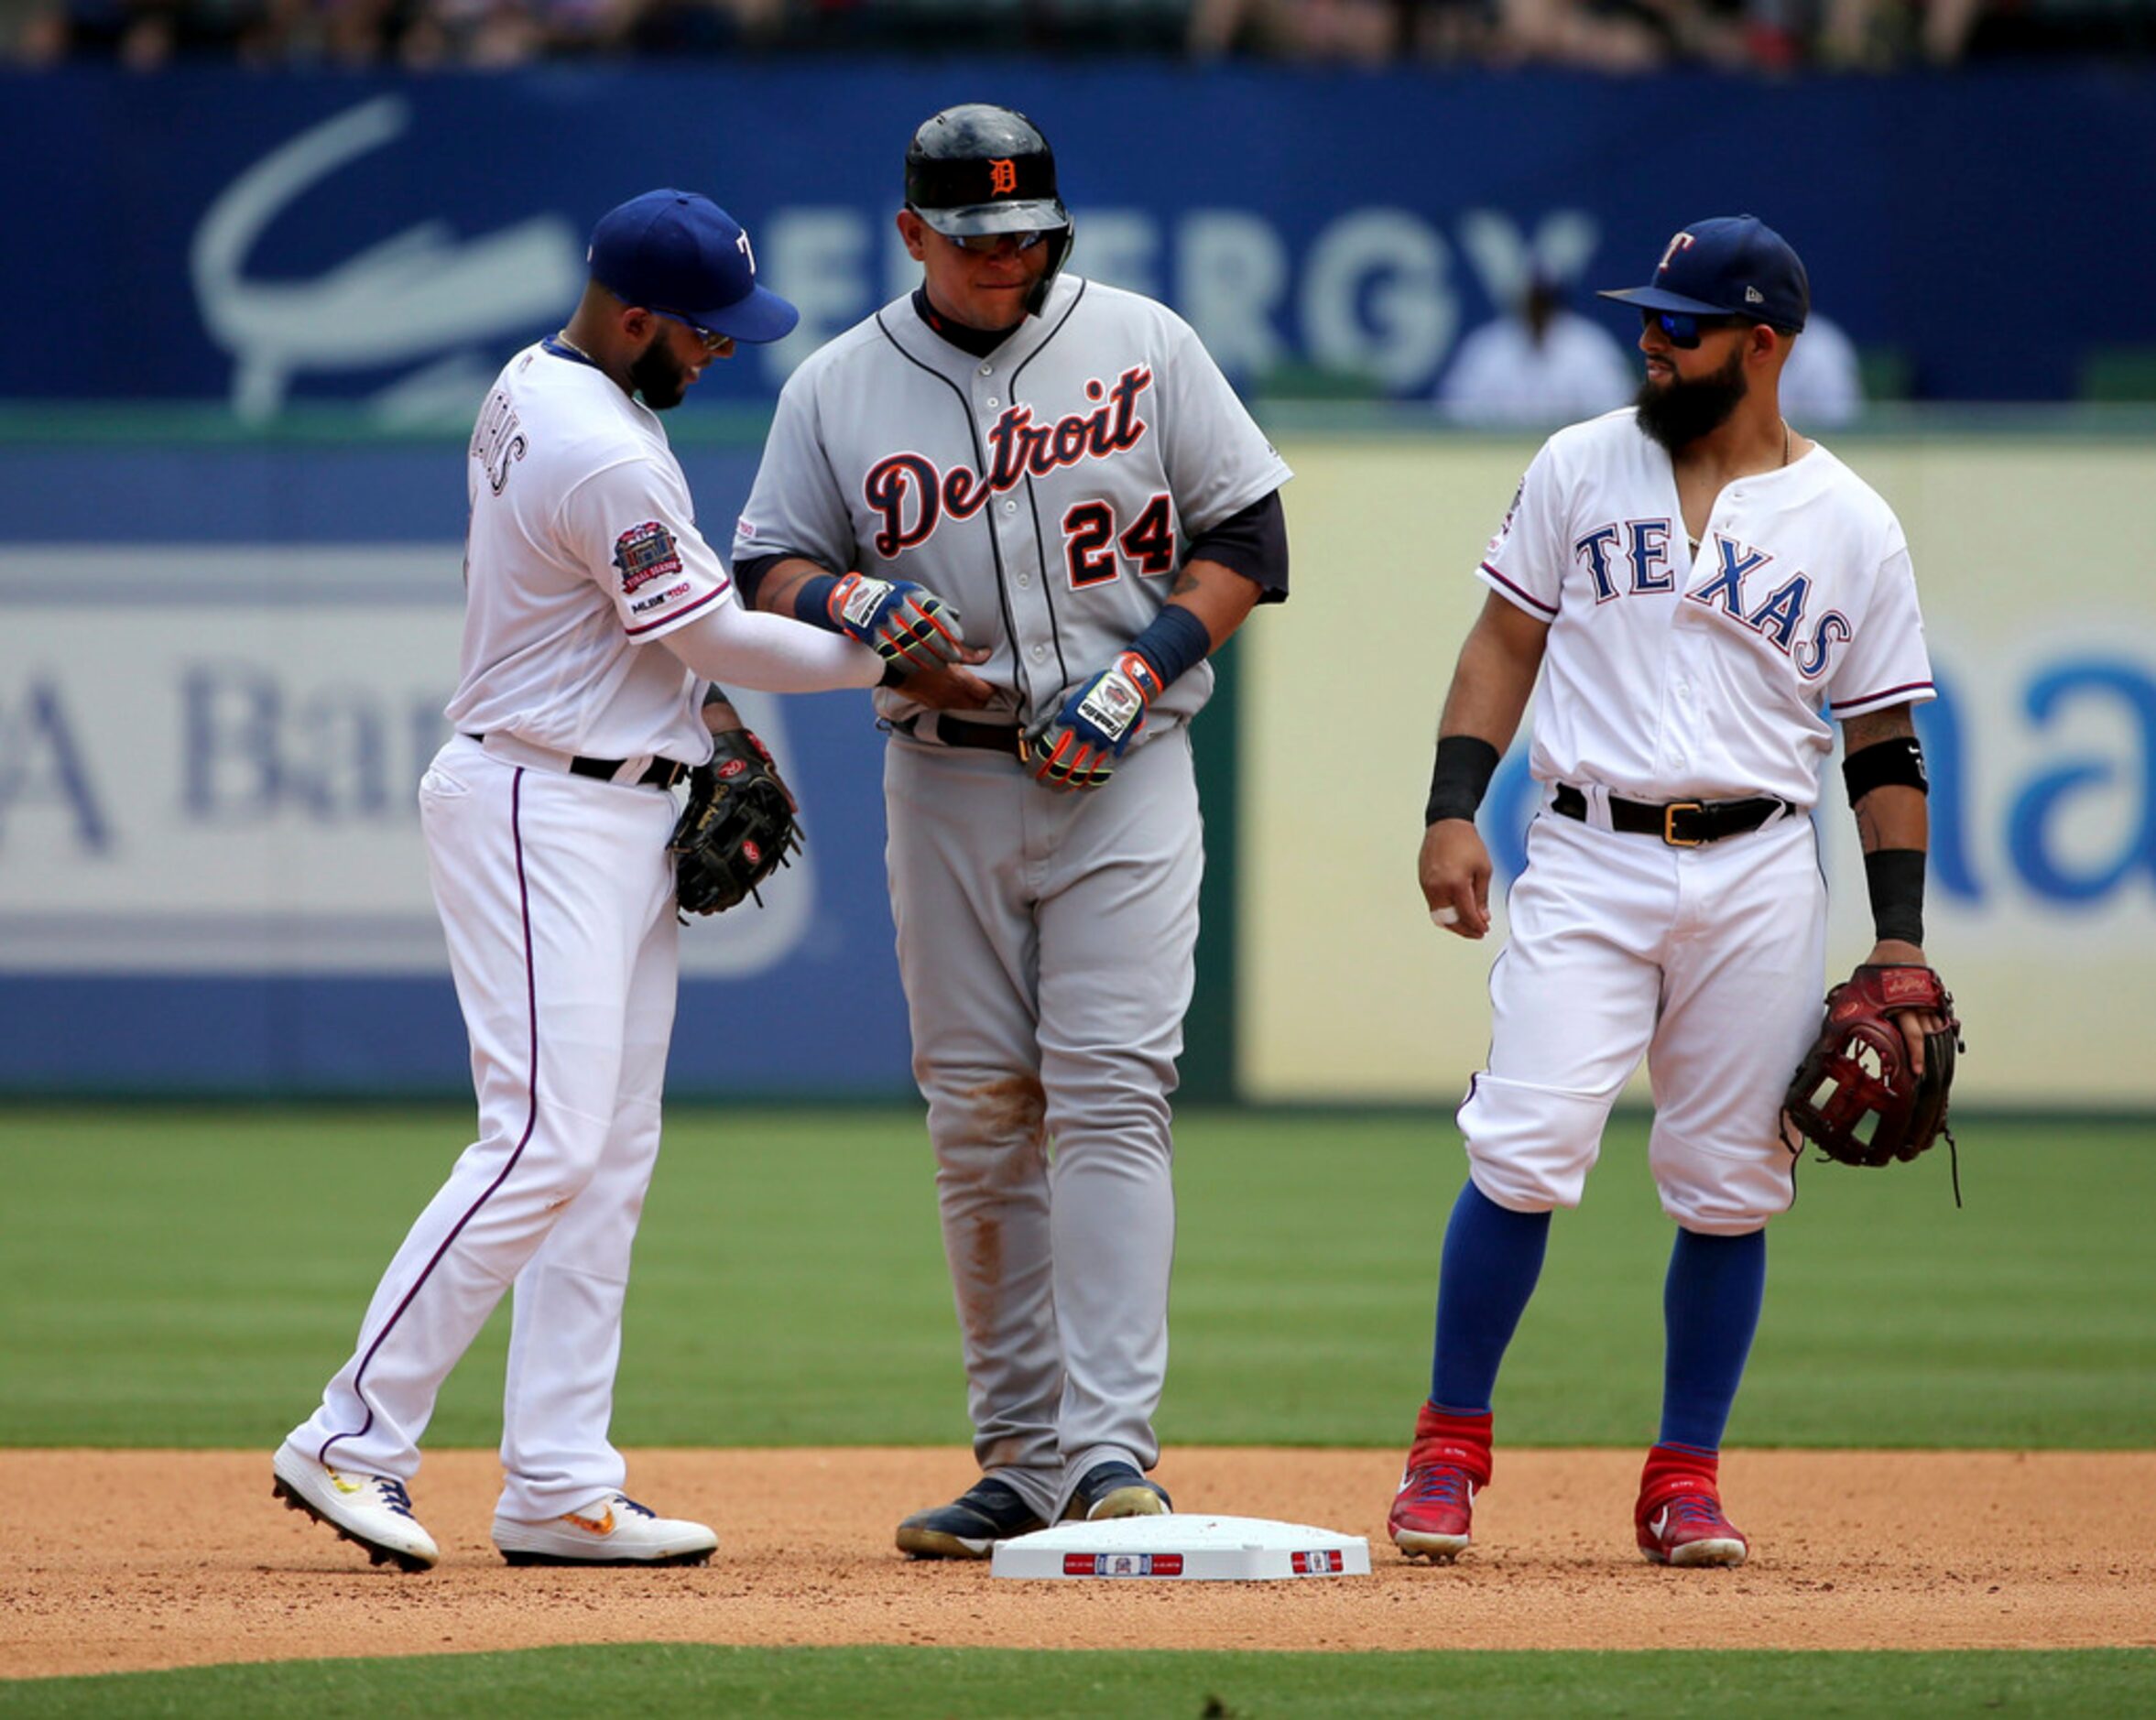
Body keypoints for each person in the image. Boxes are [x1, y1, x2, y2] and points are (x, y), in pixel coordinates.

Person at [272, 190, 942, 1572]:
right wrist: (884, 652)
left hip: (612, 789)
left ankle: (559, 1479)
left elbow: (642, 642)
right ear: (634, 315)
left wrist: (703, 728)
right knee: (543, 1139)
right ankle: (351, 1433)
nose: (721, 355)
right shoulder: (596, 447)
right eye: (704, 335)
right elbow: (717, 630)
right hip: (539, 801)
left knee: (607, 1156)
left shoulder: (549, 379)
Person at [730, 103, 1292, 1559]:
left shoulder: (1147, 342)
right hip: (943, 770)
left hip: (1130, 769)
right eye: (977, 240)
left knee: (1109, 1092)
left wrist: (1134, 670)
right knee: (979, 1113)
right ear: (911, 232)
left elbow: (1250, 539)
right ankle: (1021, 1462)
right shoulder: (841, 384)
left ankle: (1110, 1455)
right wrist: (850, 602)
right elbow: (768, 561)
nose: (1009, 261)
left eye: (1030, 235)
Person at [1389, 215, 1944, 1569]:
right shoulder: (1581, 461)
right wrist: (1452, 806)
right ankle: (1445, 1449)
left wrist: (1898, 940)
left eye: (1679, 323)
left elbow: (1879, 743)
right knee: (1521, 1147)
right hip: (1583, 850)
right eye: (1645, 315)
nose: (1649, 338)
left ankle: (1682, 1478)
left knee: (1730, 1184)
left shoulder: (1853, 523)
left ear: (1761, 345)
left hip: (1758, 866)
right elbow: (1502, 638)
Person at [1436, 271, 1636, 428]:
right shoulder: (1487, 346)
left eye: (1543, 301)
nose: (1537, 309)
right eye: (1532, 301)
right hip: (1498, 453)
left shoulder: (1590, 346)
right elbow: (1455, 411)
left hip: (1573, 456)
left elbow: (1615, 412)